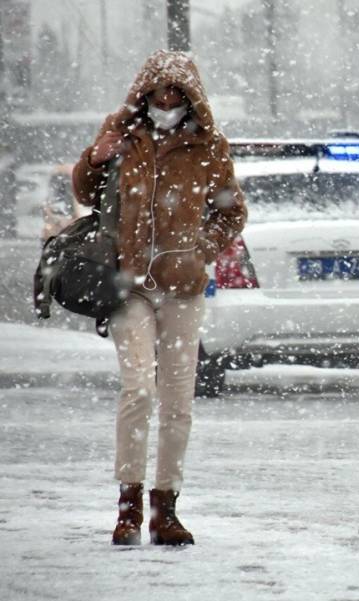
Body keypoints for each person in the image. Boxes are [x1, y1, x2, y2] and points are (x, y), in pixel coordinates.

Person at [72, 50, 246, 546]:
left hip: (183, 288)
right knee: (138, 390)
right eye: (158, 92)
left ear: (191, 98)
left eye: (176, 93)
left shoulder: (208, 146)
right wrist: (95, 158)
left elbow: (231, 213)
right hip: (129, 286)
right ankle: (127, 506)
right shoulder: (123, 135)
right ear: (143, 93)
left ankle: (164, 509)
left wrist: (201, 251)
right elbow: (86, 193)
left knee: (177, 402)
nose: (166, 101)